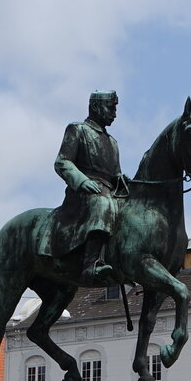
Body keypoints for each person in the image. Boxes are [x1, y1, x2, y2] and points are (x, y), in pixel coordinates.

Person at [51, 90, 127, 284]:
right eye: (111, 107)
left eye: (115, 108)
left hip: (108, 191)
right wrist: (82, 181)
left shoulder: (113, 143)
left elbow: (114, 174)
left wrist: (122, 180)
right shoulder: (78, 130)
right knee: (103, 204)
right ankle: (90, 264)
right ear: (95, 107)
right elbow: (63, 162)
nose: (115, 113)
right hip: (83, 194)